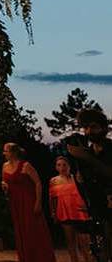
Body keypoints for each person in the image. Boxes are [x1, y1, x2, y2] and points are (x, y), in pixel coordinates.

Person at [66, 109, 112, 262]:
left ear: (103, 128)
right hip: (98, 210)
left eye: (93, 127)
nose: (89, 131)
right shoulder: (88, 153)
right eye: (85, 128)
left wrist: (87, 158)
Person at [2, 142, 55, 262]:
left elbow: (38, 183)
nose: (4, 153)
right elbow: (6, 185)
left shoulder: (25, 165)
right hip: (15, 202)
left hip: (28, 201)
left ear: (13, 152)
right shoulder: (4, 166)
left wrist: (38, 202)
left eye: (6, 151)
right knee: (21, 232)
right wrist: (5, 188)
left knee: (33, 231)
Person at [50, 156, 90, 262]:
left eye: (64, 164)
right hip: (64, 214)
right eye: (59, 165)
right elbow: (52, 199)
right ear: (56, 167)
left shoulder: (76, 178)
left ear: (69, 166)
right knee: (71, 244)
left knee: (85, 244)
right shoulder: (53, 181)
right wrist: (53, 213)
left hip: (80, 213)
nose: (62, 167)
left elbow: (86, 193)